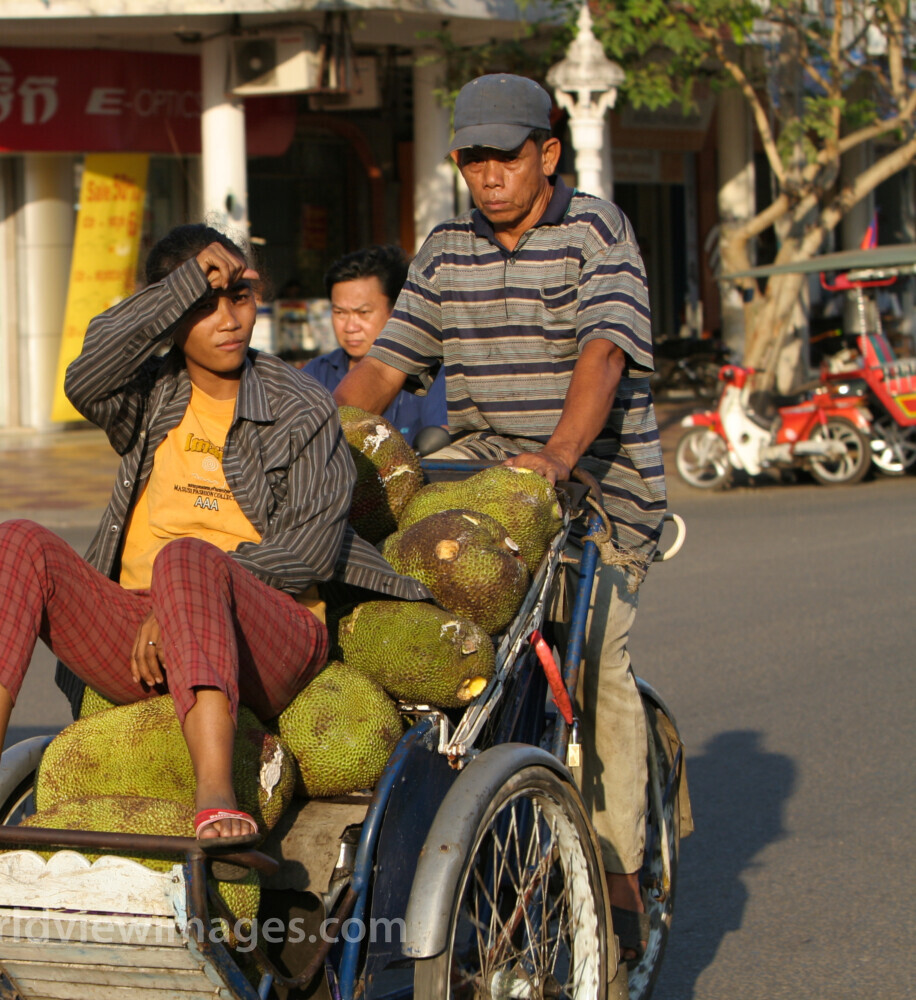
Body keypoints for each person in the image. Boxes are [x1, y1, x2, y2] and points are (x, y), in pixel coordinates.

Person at [0, 224, 426, 841]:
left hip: (268, 631)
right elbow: (85, 372)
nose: (230, 320)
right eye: (205, 303)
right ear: (171, 312)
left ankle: (217, 795)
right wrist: (184, 284)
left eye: (240, 297)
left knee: (187, 558)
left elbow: (311, 549)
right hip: (142, 635)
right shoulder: (153, 394)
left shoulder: (301, 406)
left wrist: (184, 597)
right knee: (15, 540)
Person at [333, 74, 668, 959]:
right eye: (472, 159)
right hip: (480, 482)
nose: (488, 176)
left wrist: (559, 454)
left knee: (591, 664)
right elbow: (384, 369)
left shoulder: (597, 231)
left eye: (506, 157)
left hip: (595, 486)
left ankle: (619, 868)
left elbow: (605, 354)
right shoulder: (446, 250)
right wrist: (321, 445)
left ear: (546, 154)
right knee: (411, 627)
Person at [301, 245, 447, 445]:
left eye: (363, 313)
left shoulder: (433, 373)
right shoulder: (315, 375)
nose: (350, 327)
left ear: (397, 311)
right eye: (340, 313)